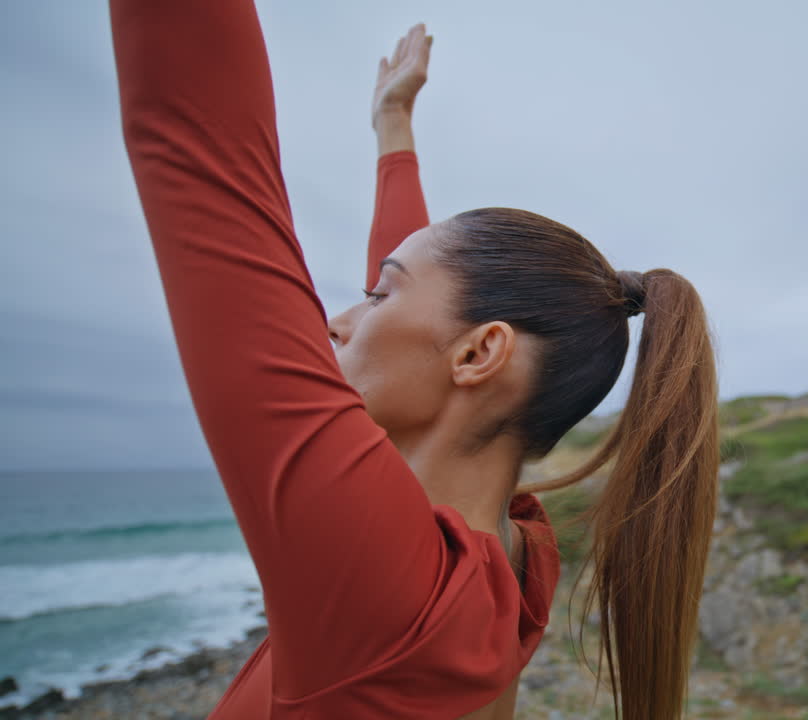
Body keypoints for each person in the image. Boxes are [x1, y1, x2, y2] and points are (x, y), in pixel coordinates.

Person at [109, 3, 719, 720]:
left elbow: (201, 149)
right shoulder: (511, 560)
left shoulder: (381, 590)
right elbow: (425, 340)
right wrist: (392, 128)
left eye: (376, 295)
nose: (334, 325)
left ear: (482, 352)